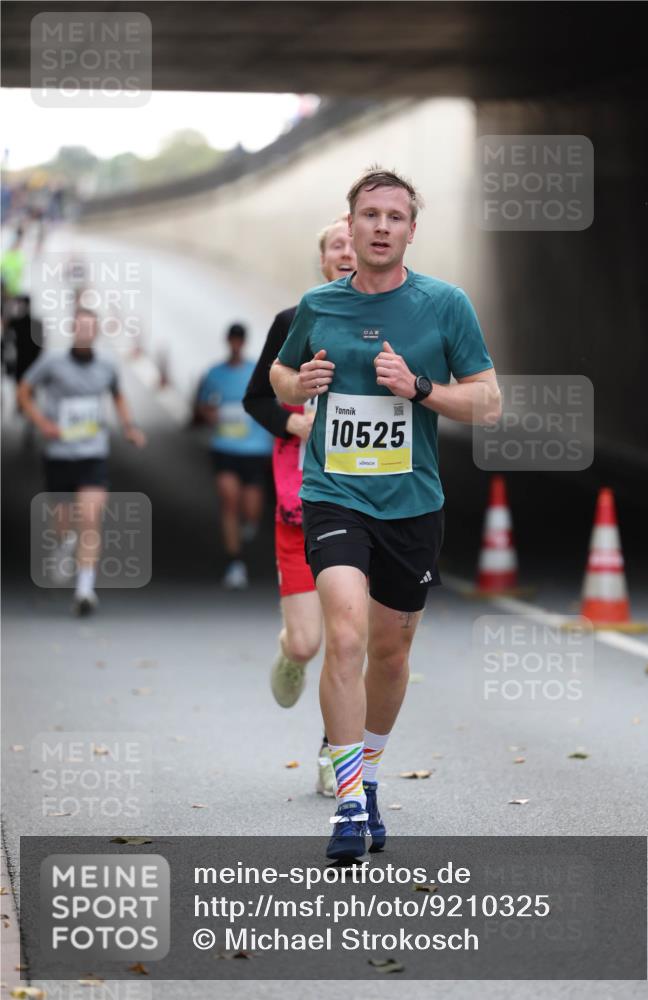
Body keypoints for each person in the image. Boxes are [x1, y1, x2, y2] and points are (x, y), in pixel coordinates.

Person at [270, 167, 501, 859]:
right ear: (352, 221)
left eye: (393, 217)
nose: (379, 227)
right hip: (334, 495)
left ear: (408, 229)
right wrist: (298, 382)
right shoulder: (318, 304)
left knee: (391, 651)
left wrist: (419, 387)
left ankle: (367, 773)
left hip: (412, 504)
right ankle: (346, 803)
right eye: (368, 214)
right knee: (343, 633)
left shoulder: (444, 305)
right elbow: (279, 375)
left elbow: (487, 401)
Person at [243, 216, 357, 797]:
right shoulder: (295, 322)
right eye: (334, 244)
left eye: (352, 241)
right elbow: (255, 395)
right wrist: (294, 421)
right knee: (311, 642)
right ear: (323, 260)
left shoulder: (397, 323)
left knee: (348, 636)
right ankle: (290, 654)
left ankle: (334, 753)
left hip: (366, 504)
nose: (346, 249)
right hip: (301, 505)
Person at [18, 306, 146, 615]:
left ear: (97, 331)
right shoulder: (52, 361)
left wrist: (129, 427)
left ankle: (85, 590)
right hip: (59, 454)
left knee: (91, 518)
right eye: (81, 327)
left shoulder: (107, 364)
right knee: (63, 523)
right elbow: (24, 390)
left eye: (91, 327)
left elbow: (117, 395)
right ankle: (64, 544)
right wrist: (41, 423)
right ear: (74, 330)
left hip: (93, 453)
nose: (86, 332)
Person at [196, 323, 273, 589]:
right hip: (225, 447)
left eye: (240, 340)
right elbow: (203, 405)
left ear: (244, 342)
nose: (236, 344)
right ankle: (234, 561)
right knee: (229, 499)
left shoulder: (256, 371)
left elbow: (271, 404)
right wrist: (211, 415)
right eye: (233, 340)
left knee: (251, 509)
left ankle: (248, 526)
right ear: (228, 341)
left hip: (254, 450)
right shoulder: (214, 374)